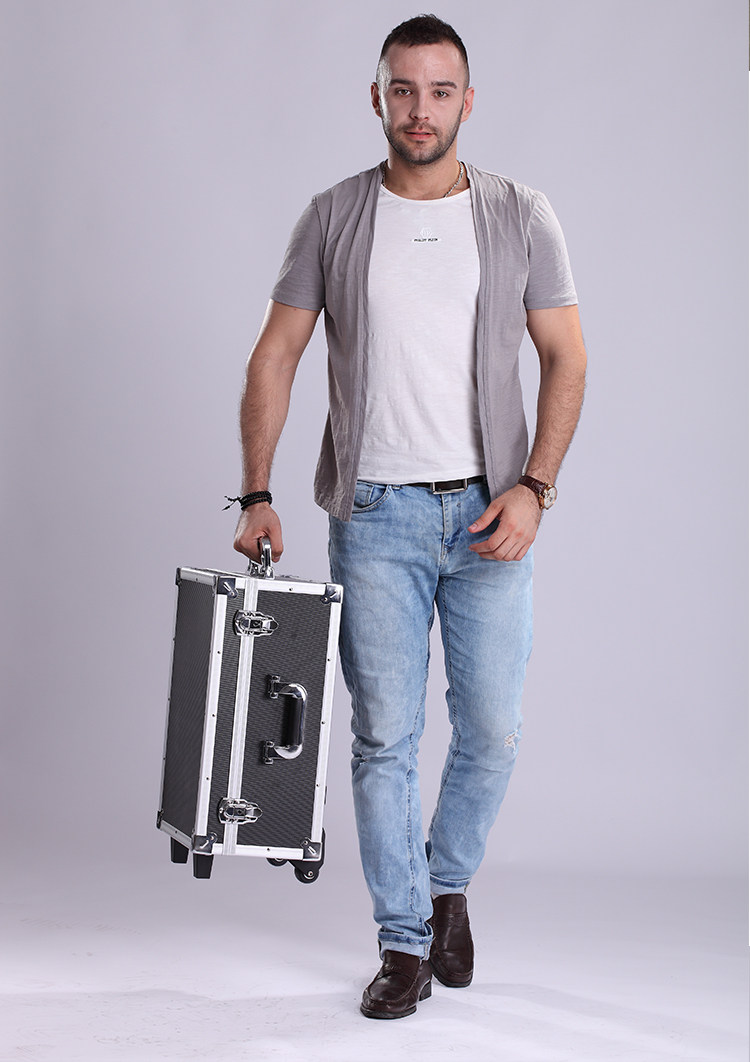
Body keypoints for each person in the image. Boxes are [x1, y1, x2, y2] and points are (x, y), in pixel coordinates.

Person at [232, 14, 586, 1020]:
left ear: (467, 101)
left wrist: (535, 488)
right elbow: (275, 354)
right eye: (402, 89)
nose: (420, 110)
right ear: (377, 98)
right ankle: (402, 941)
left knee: (493, 730)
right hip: (376, 514)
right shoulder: (334, 216)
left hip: (489, 514)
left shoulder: (521, 214)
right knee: (385, 738)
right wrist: (257, 491)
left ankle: (445, 887)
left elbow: (567, 356)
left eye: (439, 91)